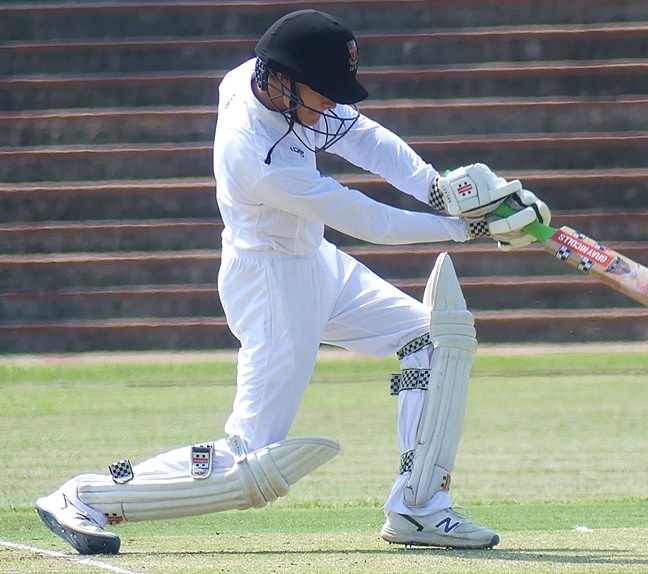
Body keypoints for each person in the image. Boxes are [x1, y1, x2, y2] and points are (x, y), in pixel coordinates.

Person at [35, 9, 550, 554]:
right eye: (323, 91)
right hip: (273, 283)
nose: (331, 103)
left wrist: (438, 188)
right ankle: (84, 496)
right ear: (280, 81)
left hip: (315, 260)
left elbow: (363, 136)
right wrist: (467, 226)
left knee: (435, 339)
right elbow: (367, 220)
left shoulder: (261, 79)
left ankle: (418, 507)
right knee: (248, 463)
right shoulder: (256, 153)